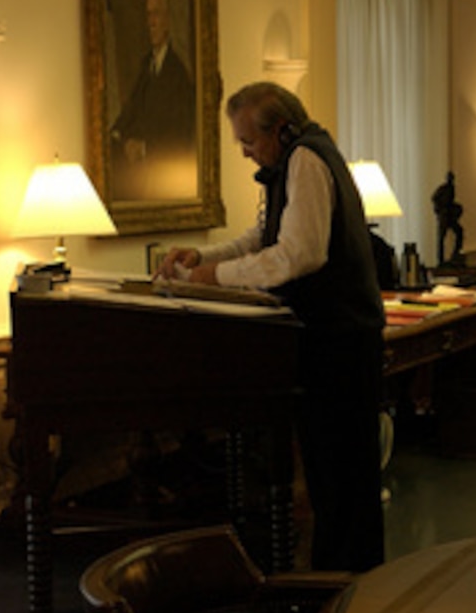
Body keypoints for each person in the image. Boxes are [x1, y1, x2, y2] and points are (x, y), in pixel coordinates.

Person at [156, 82, 385, 573]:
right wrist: (204, 256)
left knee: (342, 477)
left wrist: (210, 277)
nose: (245, 153)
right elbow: (262, 236)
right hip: (330, 342)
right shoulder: (295, 160)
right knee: (332, 479)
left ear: (280, 130)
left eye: (249, 143)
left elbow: (296, 255)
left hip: (338, 343)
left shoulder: (306, 160)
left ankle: (348, 590)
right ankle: (339, 584)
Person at [110, 0, 196, 201]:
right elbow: (131, 109)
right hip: (139, 173)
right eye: (148, 15)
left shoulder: (177, 73)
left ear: (168, 19)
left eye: (156, 14)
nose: (151, 23)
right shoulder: (146, 65)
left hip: (162, 178)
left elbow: (180, 134)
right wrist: (114, 135)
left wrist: (144, 148)